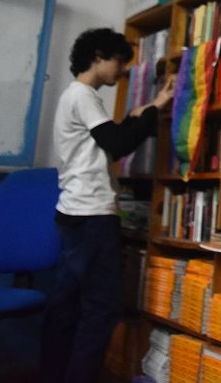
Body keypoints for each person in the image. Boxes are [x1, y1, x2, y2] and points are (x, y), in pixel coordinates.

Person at [40, 28, 173, 383]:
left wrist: (137, 116)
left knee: (67, 306)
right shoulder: (84, 95)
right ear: (98, 56)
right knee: (101, 309)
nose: (122, 71)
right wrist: (154, 110)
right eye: (118, 61)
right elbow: (118, 142)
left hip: (73, 211)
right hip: (92, 213)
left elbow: (107, 141)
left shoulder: (74, 96)